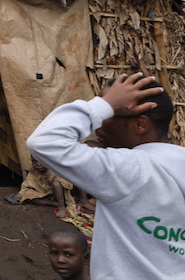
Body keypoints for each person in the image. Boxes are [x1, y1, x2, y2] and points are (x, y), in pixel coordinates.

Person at [27, 72, 185, 279]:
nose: (99, 124)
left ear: (140, 125)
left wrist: (102, 104)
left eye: (110, 114)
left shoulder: (127, 168)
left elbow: (44, 142)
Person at [6, 158, 72, 211]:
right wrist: (22, 193)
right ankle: (53, 204)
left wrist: (50, 177)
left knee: (56, 184)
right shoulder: (33, 171)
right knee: (27, 196)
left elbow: (68, 185)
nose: (38, 164)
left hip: (56, 194)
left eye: (41, 161)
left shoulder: (53, 169)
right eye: (34, 161)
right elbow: (27, 184)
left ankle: (61, 206)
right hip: (43, 193)